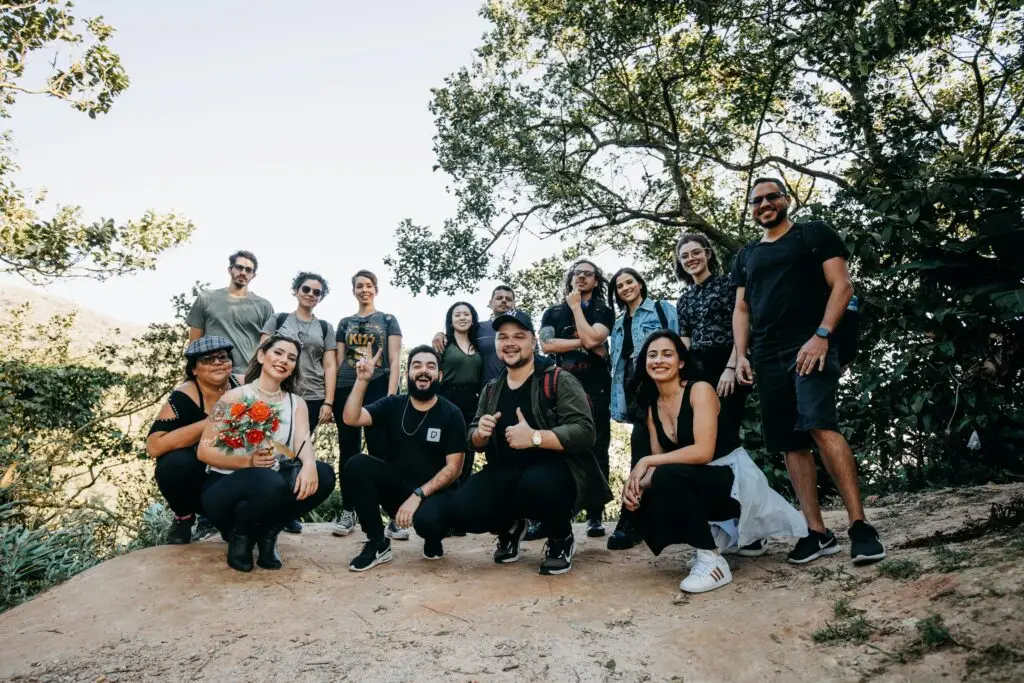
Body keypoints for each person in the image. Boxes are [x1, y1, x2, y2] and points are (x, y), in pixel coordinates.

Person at [732, 177, 886, 565]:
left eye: (771, 197)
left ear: (787, 200)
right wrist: (740, 355)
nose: (764, 204)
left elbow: (842, 286)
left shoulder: (812, 234)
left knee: (819, 424)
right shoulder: (747, 255)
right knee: (790, 442)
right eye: (757, 200)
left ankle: (860, 527)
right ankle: (816, 531)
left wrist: (821, 335)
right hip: (766, 354)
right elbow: (742, 309)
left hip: (810, 344)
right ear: (751, 209)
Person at [623, 330, 807, 593]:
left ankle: (712, 562)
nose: (658, 360)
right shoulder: (653, 407)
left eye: (667, 354)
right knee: (640, 496)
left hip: (732, 479)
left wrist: (645, 462)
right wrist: (636, 485)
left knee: (668, 476)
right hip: (697, 478)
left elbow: (703, 452)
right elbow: (660, 463)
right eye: (652, 355)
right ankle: (715, 535)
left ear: (681, 362)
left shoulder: (700, 390)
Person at [445, 309, 609, 576]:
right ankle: (511, 528)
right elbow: (473, 435)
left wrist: (534, 438)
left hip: (557, 472)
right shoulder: (491, 388)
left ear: (532, 342)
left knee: (537, 484)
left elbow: (585, 431)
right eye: (503, 337)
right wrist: (480, 434)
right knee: (462, 509)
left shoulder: (558, 379)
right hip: (508, 472)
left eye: (519, 336)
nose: (510, 343)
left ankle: (560, 538)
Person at [197, 334, 336, 572]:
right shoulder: (232, 398)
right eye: (278, 353)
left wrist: (310, 465)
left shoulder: (296, 404)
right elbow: (203, 451)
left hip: (271, 486)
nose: (284, 360)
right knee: (269, 480)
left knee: (324, 474)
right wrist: (248, 460)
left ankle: (268, 534)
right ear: (262, 356)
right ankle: (239, 537)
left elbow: (303, 443)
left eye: (291, 358)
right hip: (226, 488)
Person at [676, 233, 765, 558]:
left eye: (695, 252)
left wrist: (730, 367)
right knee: (706, 448)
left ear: (707, 254)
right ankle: (726, 524)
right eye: (684, 255)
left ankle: (754, 526)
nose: (690, 259)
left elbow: (743, 324)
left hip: (727, 367)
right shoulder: (684, 300)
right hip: (698, 372)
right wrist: (680, 381)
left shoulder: (728, 285)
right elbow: (683, 342)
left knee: (727, 443)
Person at [341, 345, 465, 570]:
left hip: (435, 493)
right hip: (399, 488)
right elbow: (351, 418)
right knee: (357, 464)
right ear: (408, 373)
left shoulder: (451, 413)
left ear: (440, 375)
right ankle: (378, 543)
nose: (423, 371)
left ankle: (434, 538)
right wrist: (362, 380)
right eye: (416, 366)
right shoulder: (393, 404)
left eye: (430, 366)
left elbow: (454, 469)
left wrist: (418, 495)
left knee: (429, 523)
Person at [539, 259, 615, 538]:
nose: (582, 277)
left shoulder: (603, 310)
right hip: (559, 388)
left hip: (597, 387)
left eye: (588, 274)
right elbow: (547, 344)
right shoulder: (552, 312)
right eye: (577, 273)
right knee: (557, 445)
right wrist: (586, 342)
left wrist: (576, 309)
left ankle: (595, 515)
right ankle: (556, 513)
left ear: (596, 281)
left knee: (597, 446)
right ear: (570, 278)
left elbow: (598, 337)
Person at [606, 267, 678, 550]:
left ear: (640, 284)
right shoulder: (619, 322)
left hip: (662, 388)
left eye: (629, 282)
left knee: (671, 447)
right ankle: (631, 519)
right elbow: (619, 363)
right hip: (633, 393)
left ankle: (668, 516)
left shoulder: (661, 309)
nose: (625, 288)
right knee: (641, 449)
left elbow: (679, 344)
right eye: (619, 285)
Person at [261, 272, 338, 534]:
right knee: (272, 447)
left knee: (296, 454)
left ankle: (288, 511)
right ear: (296, 290)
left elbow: (329, 365)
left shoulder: (326, 327)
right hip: (279, 393)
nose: (310, 294)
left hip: (313, 396)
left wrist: (329, 401)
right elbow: (261, 352)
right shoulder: (279, 319)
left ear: (321, 298)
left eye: (317, 292)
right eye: (306, 289)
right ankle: (265, 504)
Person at [331, 269, 403, 538]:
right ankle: (349, 511)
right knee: (348, 451)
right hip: (347, 388)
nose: (364, 289)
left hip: (378, 386)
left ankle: (393, 515)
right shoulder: (344, 321)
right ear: (353, 290)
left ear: (376, 289)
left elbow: (395, 359)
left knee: (381, 451)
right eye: (359, 286)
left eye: (369, 285)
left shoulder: (387, 319)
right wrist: (332, 397)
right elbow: (339, 361)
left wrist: (392, 394)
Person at [146, 336, 239, 544]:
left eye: (222, 357)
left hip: (234, 468)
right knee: (174, 463)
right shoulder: (184, 396)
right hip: (199, 474)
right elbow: (154, 446)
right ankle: (183, 517)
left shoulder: (243, 386)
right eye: (207, 359)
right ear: (194, 369)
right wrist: (213, 420)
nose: (217, 363)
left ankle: (230, 520)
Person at [186, 250, 274, 374]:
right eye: (239, 267)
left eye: (248, 270)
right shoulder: (206, 298)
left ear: (253, 275)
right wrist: (191, 374)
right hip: (211, 372)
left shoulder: (264, 306)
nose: (243, 272)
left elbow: (268, 348)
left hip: (247, 376)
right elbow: (194, 344)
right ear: (230, 270)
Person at [433, 285, 519, 385]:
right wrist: (440, 335)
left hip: (517, 386)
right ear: (490, 303)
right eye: (499, 298)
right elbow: (459, 334)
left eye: (508, 299)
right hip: (486, 391)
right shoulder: (478, 328)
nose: (504, 301)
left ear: (514, 305)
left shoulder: (523, 330)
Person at [438, 301, 483, 482]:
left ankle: (461, 492)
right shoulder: (444, 343)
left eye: (466, 314)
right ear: (451, 320)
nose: (462, 318)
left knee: (467, 448)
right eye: (457, 315)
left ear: (473, 319)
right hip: (446, 398)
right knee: (445, 447)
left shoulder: (479, 344)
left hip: (472, 401)